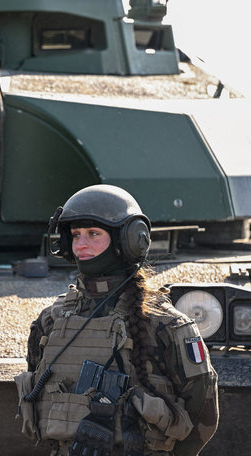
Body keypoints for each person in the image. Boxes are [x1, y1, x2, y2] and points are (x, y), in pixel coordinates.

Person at [15, 184, 219, 456]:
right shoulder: (51, 321)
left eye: (94, 234)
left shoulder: (165, 325)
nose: (81, 245)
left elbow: (203, 412)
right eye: (75, 235)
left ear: (129, 240)